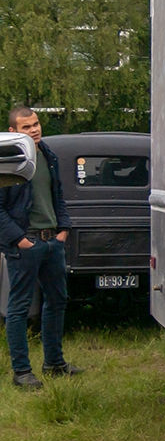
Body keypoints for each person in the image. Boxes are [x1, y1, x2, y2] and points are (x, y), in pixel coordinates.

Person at [1, 107, 80, 389]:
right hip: (26, 243)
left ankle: (54, 363)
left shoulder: (48, 154)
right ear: (13, 132)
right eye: (26, 127)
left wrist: (64, 229)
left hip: (52, 241)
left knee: (57, 301)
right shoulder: (8, 159)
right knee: (19, 308)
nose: (34, 130)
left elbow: (58, 193)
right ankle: (21, 372)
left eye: (35, 124)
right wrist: (18, 239)